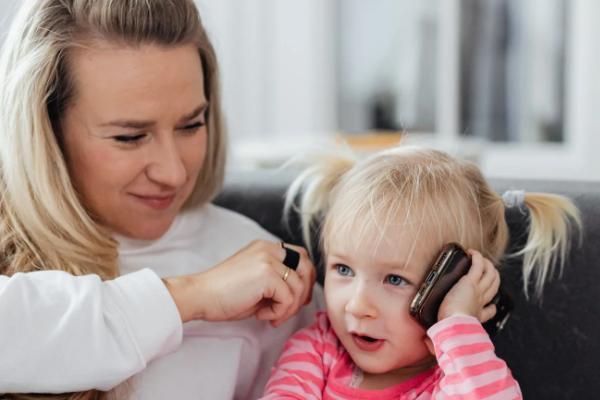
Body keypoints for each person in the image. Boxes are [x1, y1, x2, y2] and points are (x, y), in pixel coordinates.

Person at [0, 1, 323, 399]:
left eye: (191, 125)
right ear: (45, 129)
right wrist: (193, 295)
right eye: (130, 137)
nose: (172, 172)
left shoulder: (259, 269)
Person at [261, 145, 580, 399]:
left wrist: (457, 325)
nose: (357, 306)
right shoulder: (318, 349)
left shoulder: (452, 379)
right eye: (343, 269)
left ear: (451, 286)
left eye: (395, 279)